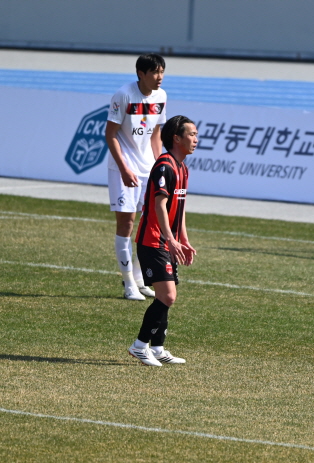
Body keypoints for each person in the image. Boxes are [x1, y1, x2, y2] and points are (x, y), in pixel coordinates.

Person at [127, 115, 197, 366]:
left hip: (168, 241)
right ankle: (139, 346)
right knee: (167, 295)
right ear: (176, 138)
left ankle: (157, 348)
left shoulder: (183, 169)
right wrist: (169, 238)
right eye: (191, 134)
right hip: (153, 240)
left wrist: (183, 239)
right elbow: (159, 204)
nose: (196, 139)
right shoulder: (164, 166)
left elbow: (180, 208)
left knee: (166, 295)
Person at [105, 53, 167, 301]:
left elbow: (156, 133)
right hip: (123, 168)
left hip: (148, 168)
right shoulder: (124, 95)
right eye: (155, 72)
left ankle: (140, 279)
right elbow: (110, 134)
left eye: (162, 72)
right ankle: (128, 282)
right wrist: (124, 168)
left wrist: (160, 165)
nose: (159, 77)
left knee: (151, 223)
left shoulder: (161, 96)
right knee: (127, 223)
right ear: (141, 74)